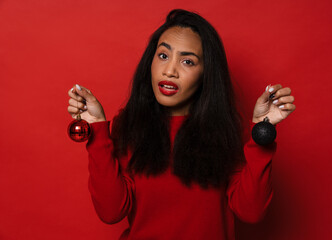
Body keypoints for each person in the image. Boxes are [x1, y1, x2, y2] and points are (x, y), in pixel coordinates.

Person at [67, 9, 295, 240]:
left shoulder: (226, 131)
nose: (170, 71)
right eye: (163, 56)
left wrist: (261, 133)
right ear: (150, 61)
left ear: (206, 73)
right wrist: (96, 128)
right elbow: (111, 211)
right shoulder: (130, 126)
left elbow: (251, 212)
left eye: (187, 61)